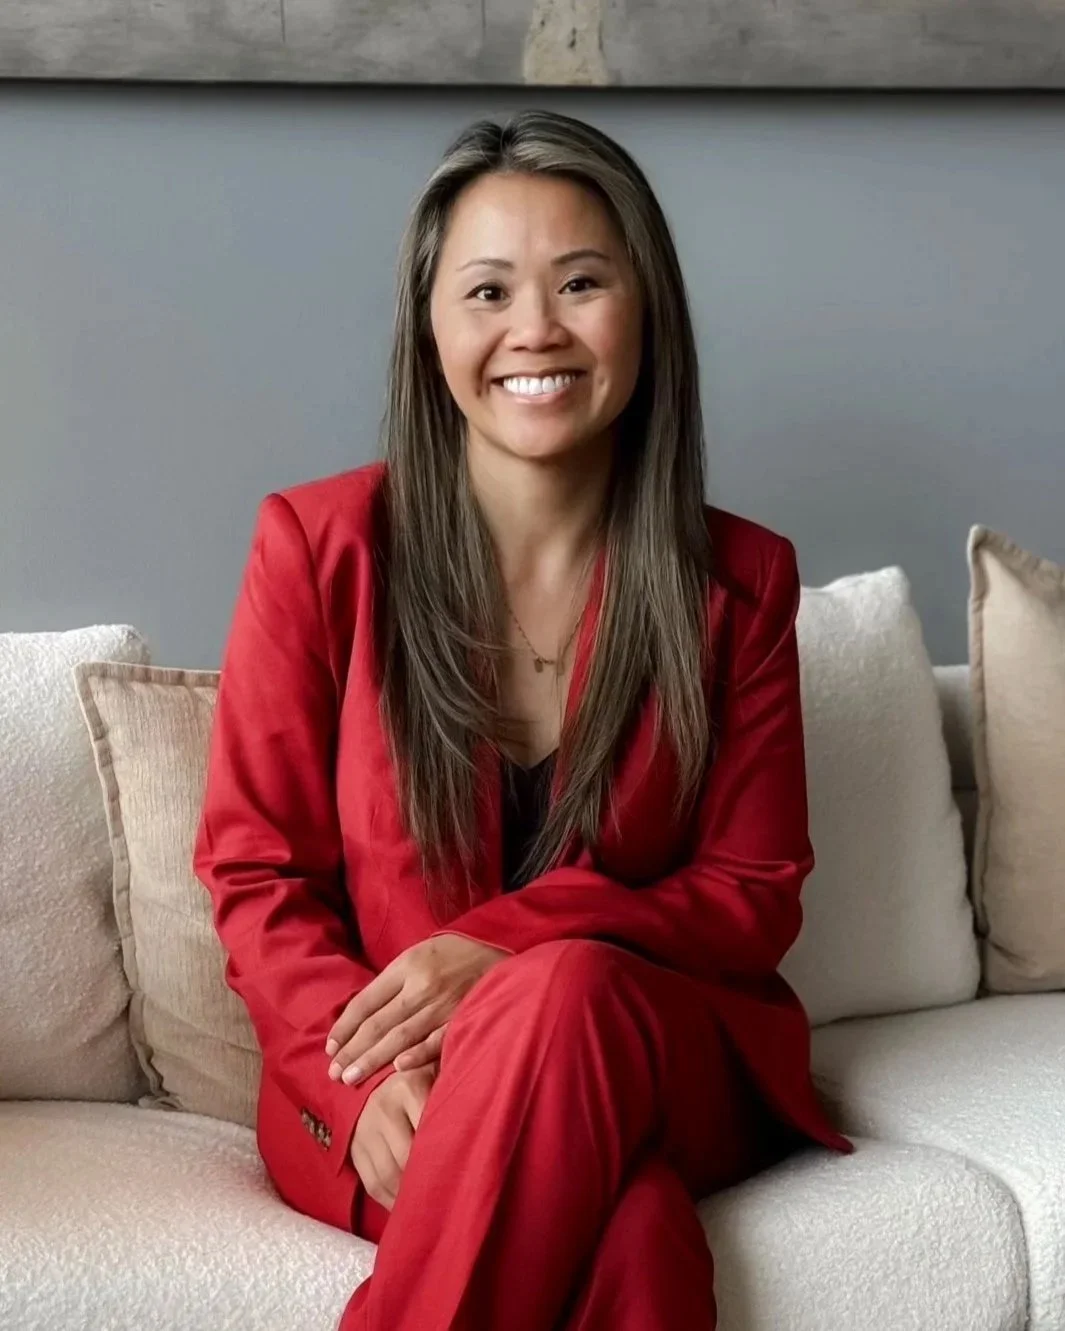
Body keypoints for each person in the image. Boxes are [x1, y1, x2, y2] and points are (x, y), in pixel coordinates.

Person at [192, 107, 853, 1331]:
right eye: (487, 290)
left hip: (661, 1050)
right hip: (384, 1083)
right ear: (431, 327)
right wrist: (377, 1064)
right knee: (641, 1243)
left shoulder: (742, 582)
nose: (534, 329)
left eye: (582, 282)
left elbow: (755, 889)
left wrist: (509, 941)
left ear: (644, 313)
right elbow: (257, 868)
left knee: (567, 991)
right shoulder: (318, 549)